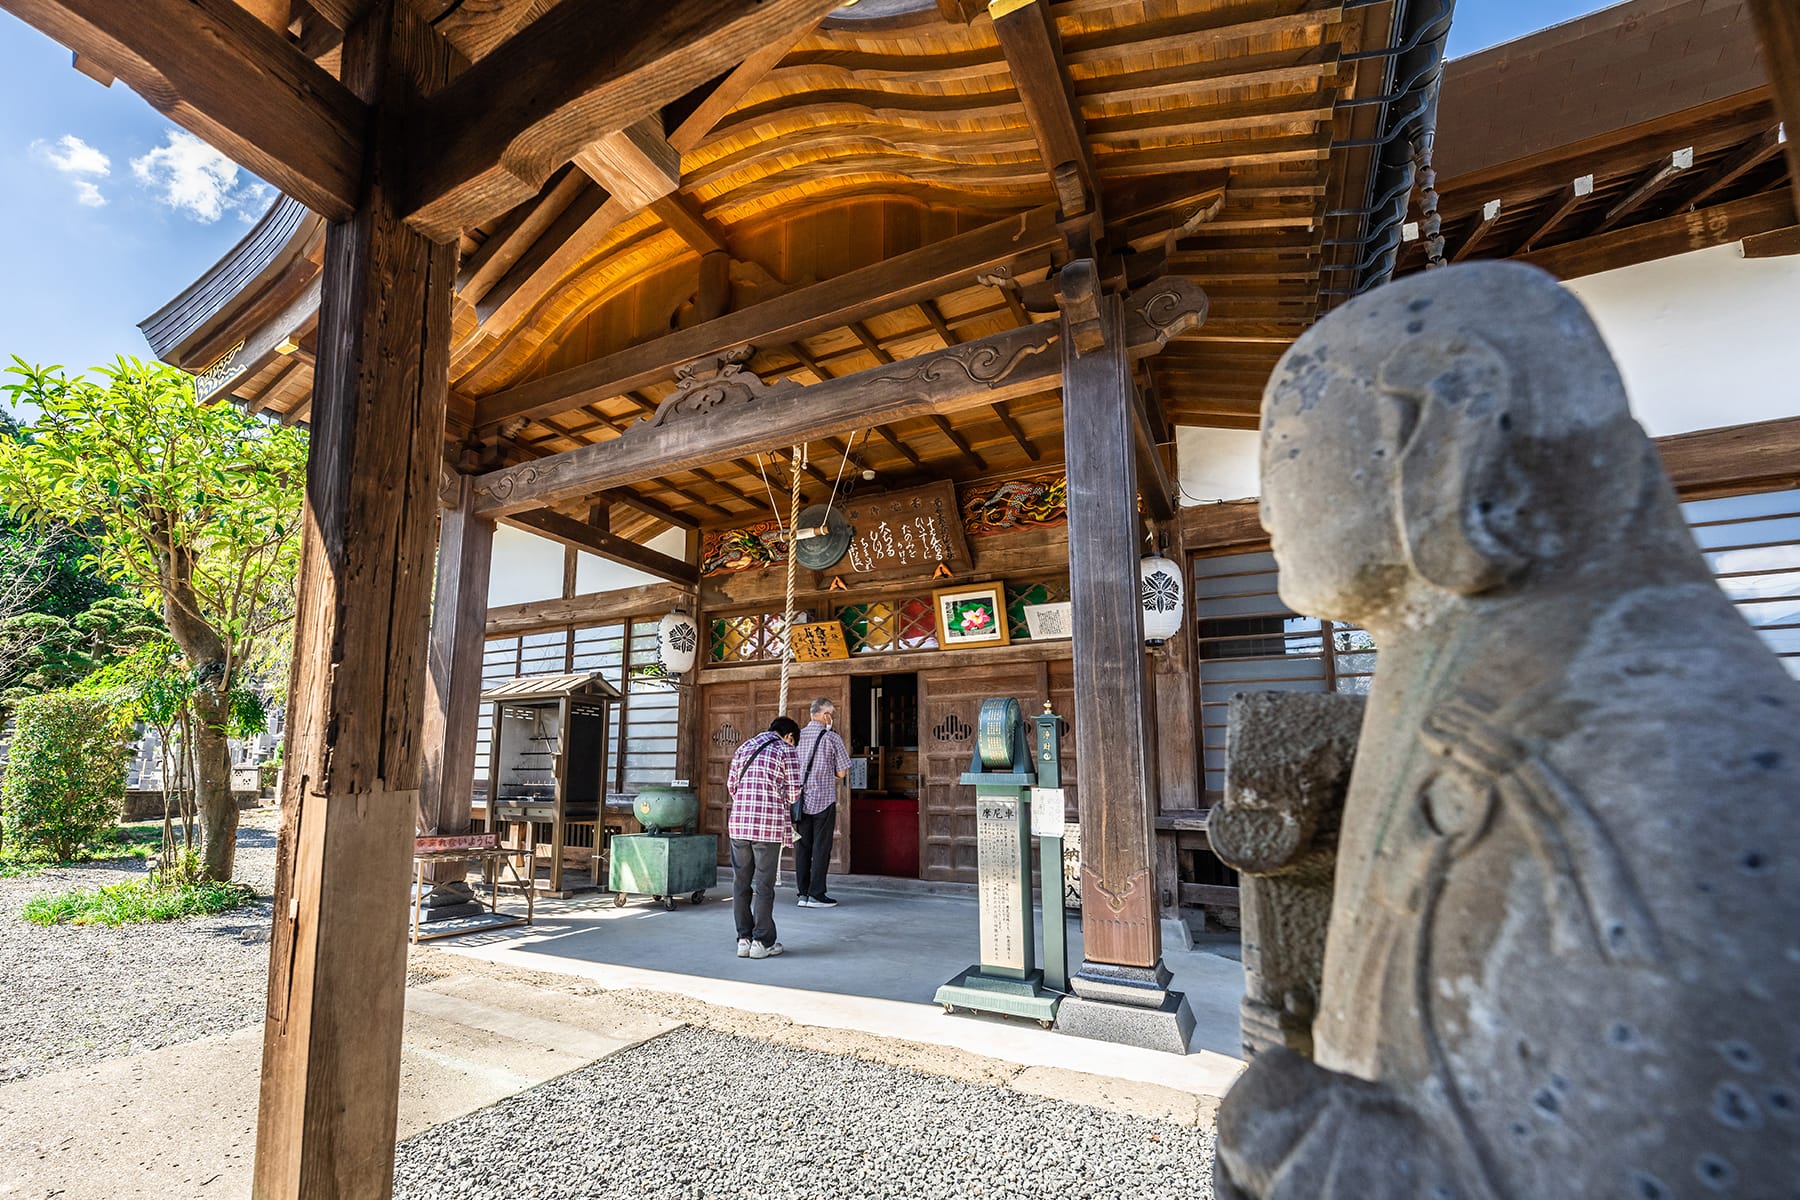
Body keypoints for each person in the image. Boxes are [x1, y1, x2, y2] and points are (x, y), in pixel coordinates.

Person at [725, 715, 800, 960]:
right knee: (764, 886)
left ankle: (743, 939)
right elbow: (793, 793)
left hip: (739, 824)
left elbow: (732, 785)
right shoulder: (785, 750)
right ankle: (762, 942)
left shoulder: (744, 747)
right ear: (789, 736)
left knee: (740, 883)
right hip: (767, 826)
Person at [792, 696, 850, 908]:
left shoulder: (797, 737)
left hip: (800, 801)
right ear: (825, 715)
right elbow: (842, 772)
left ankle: (803, 894)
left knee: (803, 847)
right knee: (821, 848)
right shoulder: (831, 738)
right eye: (831, 715)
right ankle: (817, 894)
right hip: (823, 799)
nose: (831, 719)